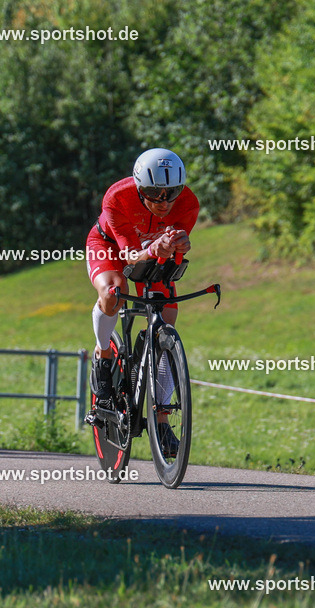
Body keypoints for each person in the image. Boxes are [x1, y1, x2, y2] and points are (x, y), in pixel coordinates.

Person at [85, 148, 198, 452]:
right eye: (153, 193)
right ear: (138, 187)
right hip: (111, 246)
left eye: (171, 192)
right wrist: (154, 249)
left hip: (152, 250)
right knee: (113, 291)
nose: (163, 202)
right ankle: (103, 353)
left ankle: (161, 420)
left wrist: (180, 246)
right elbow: (129, 258)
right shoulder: (117, 198)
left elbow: (174, 253)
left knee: (167, 316)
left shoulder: (188, 203)